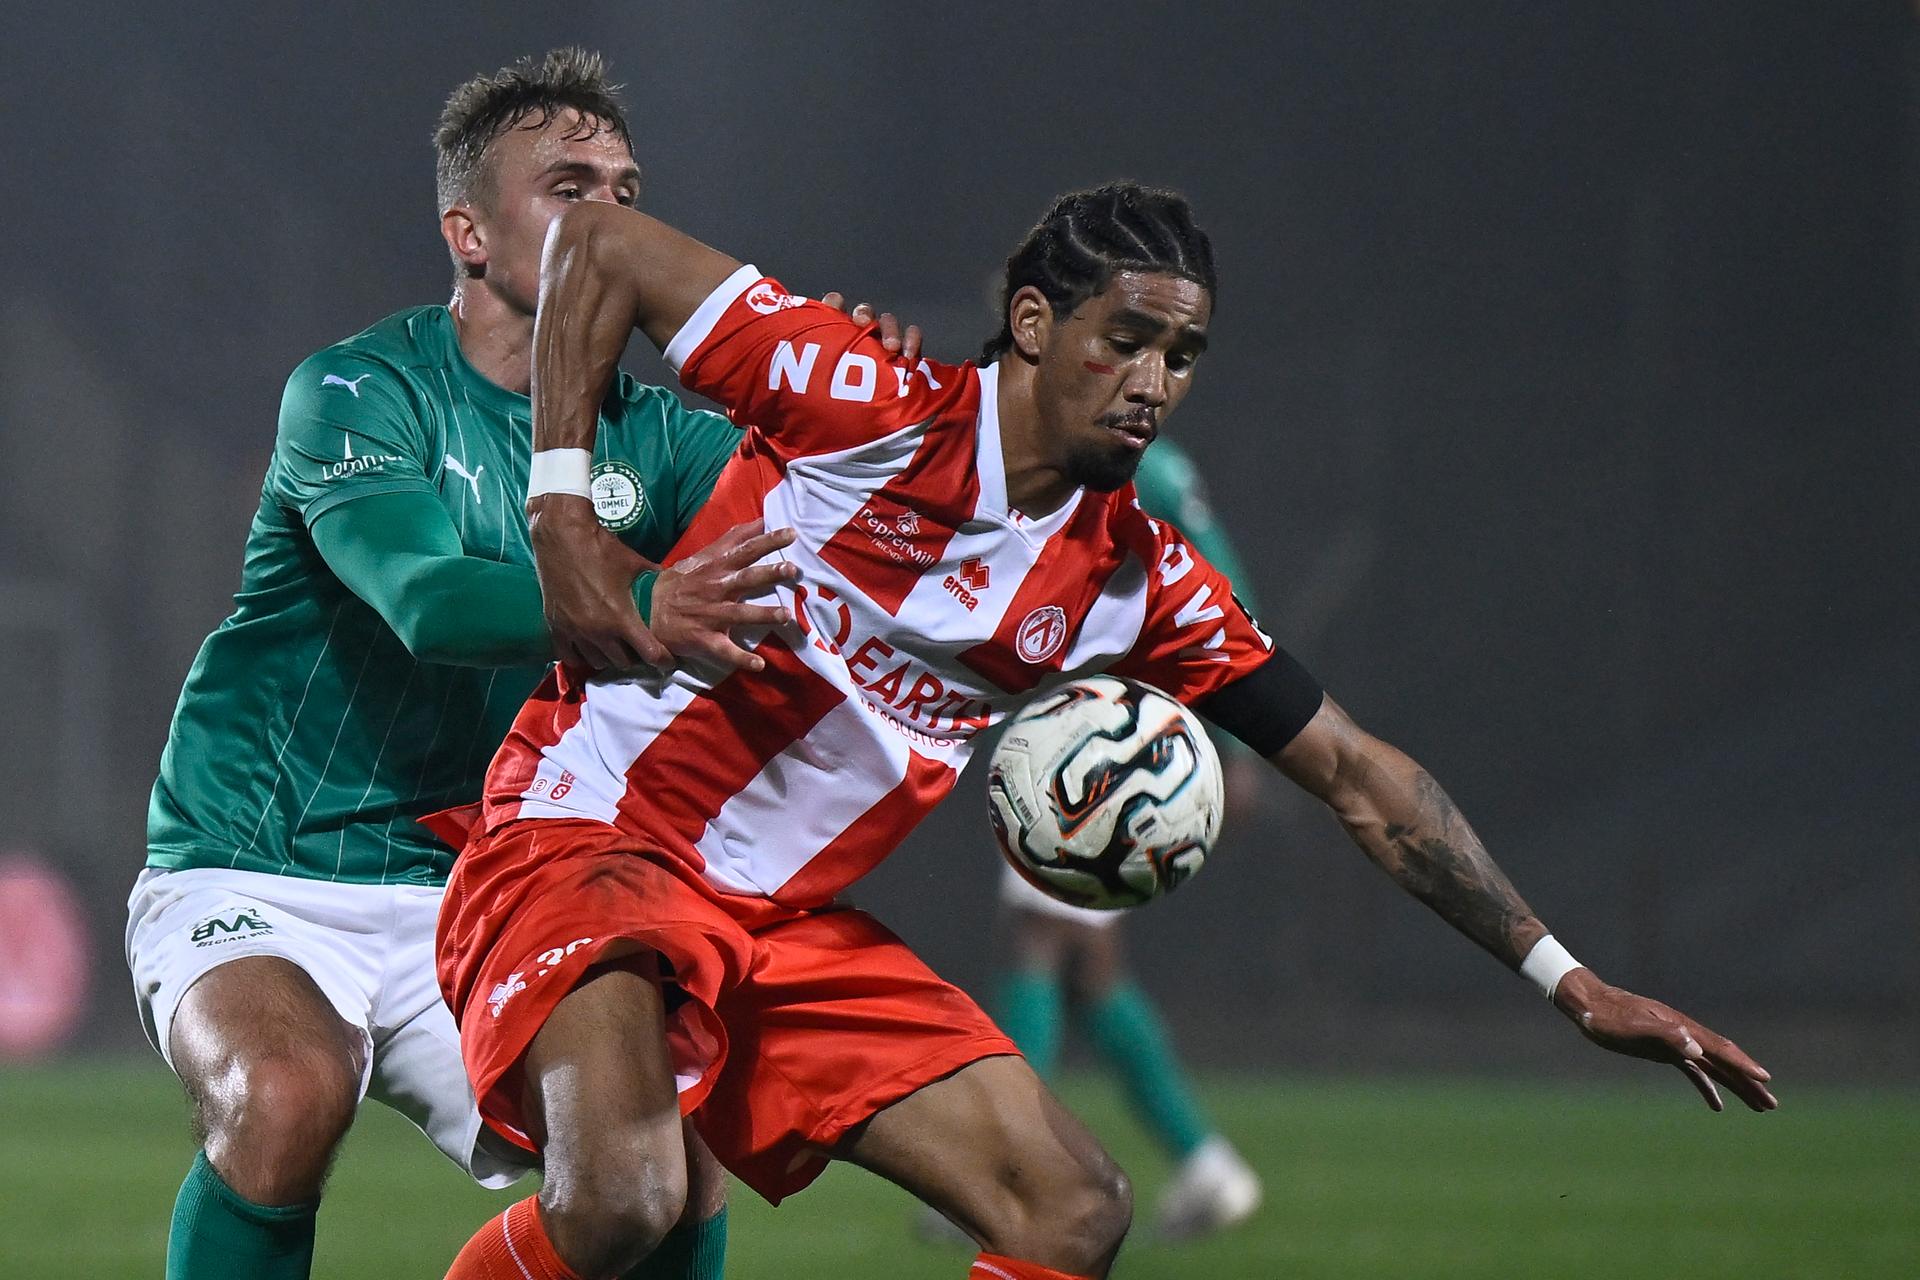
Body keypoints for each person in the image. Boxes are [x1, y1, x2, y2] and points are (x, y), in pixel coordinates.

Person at [432, 182, 1776, 1280]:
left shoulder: (1138, 581)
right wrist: (565, 523)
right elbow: (599, 245)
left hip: (776, 924)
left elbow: (1366, 780)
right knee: (624, 1200)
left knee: (1068, 1209)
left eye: (1182, 356)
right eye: (1125, 338)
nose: (1152, 381)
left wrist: (1571, 981)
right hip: (593, 834)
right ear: (1030, 321)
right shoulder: (867, 402)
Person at [126, 48, 919, 1280]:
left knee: (665, 1158)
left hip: (484, 883)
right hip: (267, 862)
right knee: (285, 1094)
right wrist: (650, 594)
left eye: (625, 186)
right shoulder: (359, 389)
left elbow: (836, 544)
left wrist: (862, 427)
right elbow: (428, 600)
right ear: (470, 234)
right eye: (567, 185)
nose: (609, 214)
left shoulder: (658, 438)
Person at [970, 438, 1268, 1244]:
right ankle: (1206, 1165)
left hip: (1110, 753)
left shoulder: (1125, 461)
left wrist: (1240, 746)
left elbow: (1225, 587)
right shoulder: (1147, 460)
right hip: (1121, 735)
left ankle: (1002, 1166)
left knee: (1037, 938)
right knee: (1089, 968)